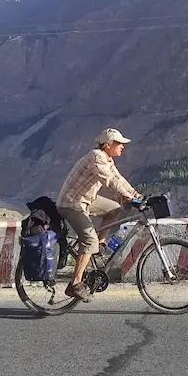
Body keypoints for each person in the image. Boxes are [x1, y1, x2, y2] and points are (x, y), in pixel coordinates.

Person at [56, 128, 143, 302]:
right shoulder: (96, 157)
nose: (123, 147)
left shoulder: (107, 158)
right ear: (108, 144)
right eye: (119, 143)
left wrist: (137, 195)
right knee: (89, 240)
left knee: (114, 209)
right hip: (72, 203)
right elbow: (108, 180)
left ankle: (99, 246)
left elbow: (118, 178)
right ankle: (75, 284)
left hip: (87, 200)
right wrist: (129, 198)